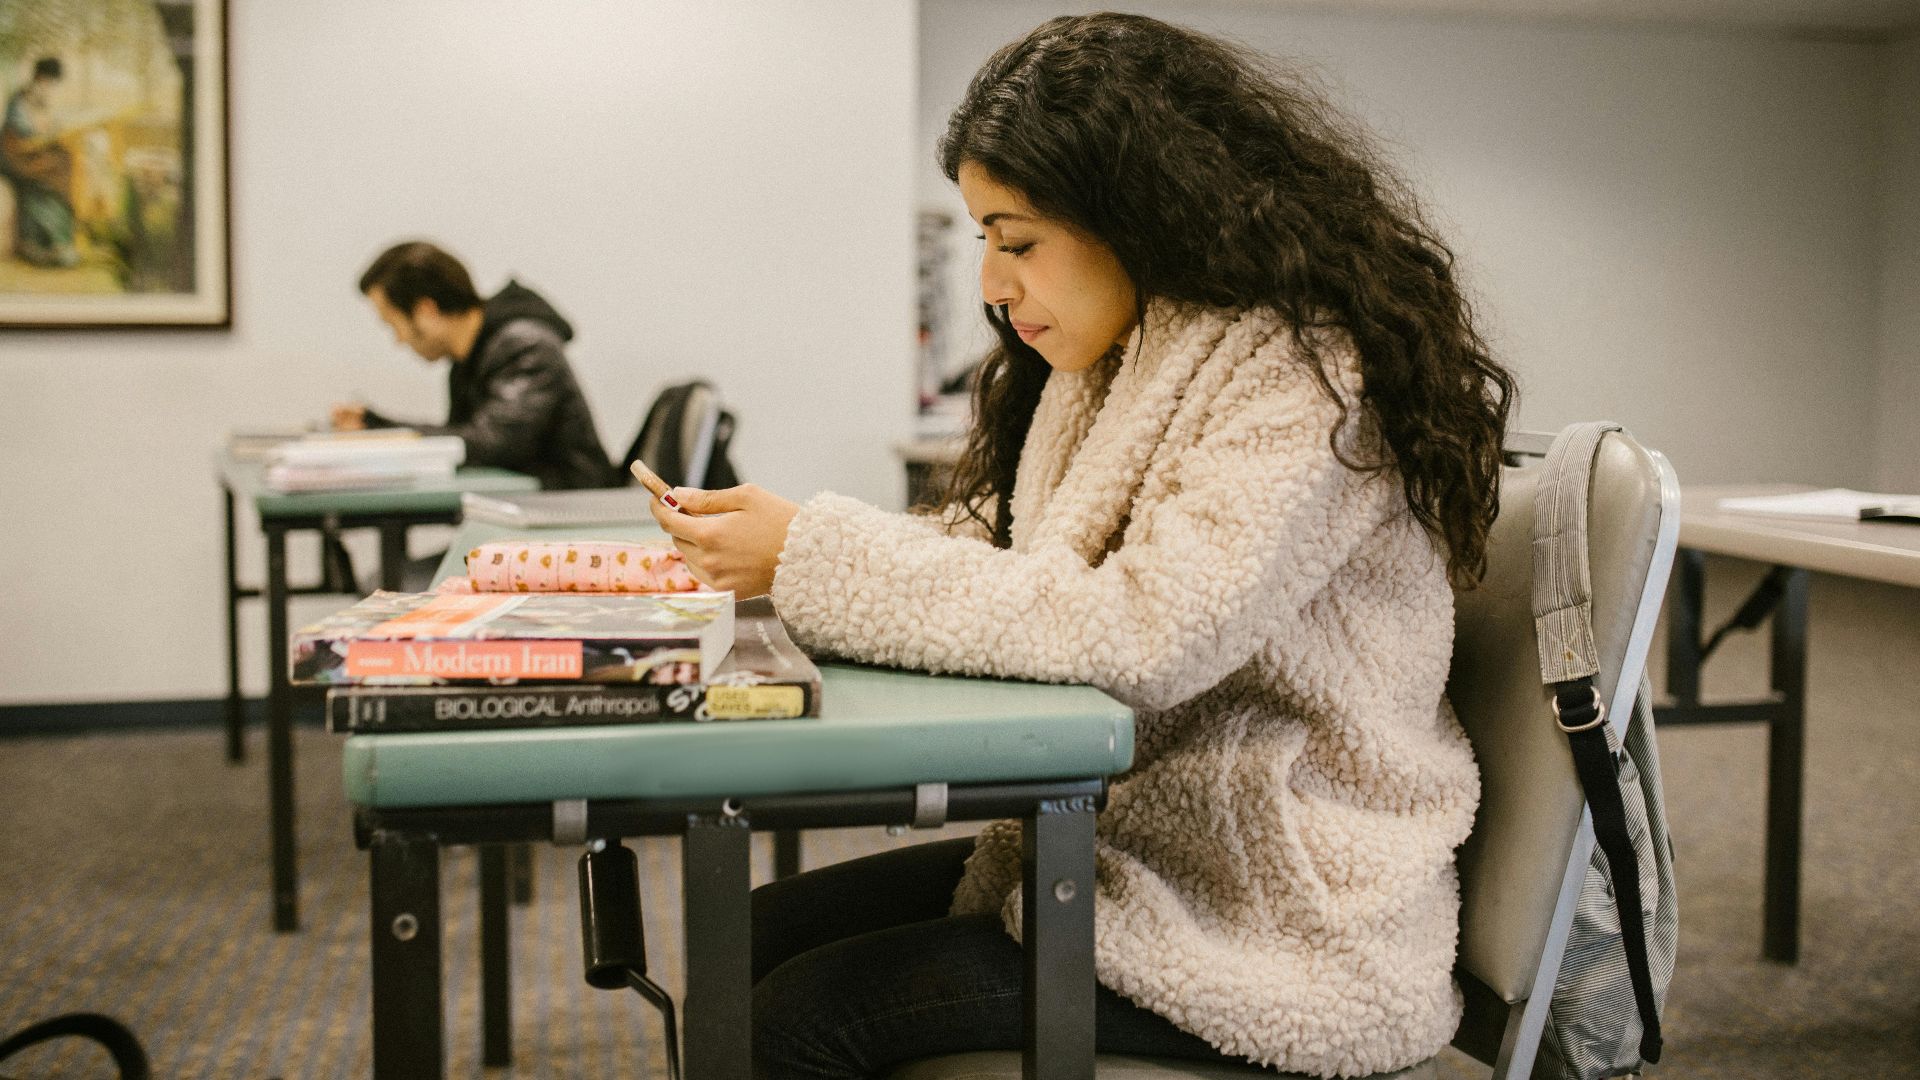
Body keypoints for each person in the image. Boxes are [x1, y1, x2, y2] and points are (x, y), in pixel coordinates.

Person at [651, 13, 1516, 1079]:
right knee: (751, 936)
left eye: (1017, 242)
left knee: (794, 1017)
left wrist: (815, 558)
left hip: (1279, 911)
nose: (991, 286)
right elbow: (1013, 551)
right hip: (1144, 851)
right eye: (984, 243)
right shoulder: (1113, 363)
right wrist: (777, 559)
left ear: (1143, 213)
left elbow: (1153, 628)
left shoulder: (1305, 367)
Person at [337, 240, 613, 490]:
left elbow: (490, 443)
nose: (398, 340)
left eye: (393, 325)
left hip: (571, 515)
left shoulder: (525, 345)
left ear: (425, 312)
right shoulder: (469, 359)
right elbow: (467, 439)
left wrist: (383, 431)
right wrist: (377, 425)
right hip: (526, 512)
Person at [1, 57, 79, 268]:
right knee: (48, 174)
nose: (49, 88)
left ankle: (60, 243)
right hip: (15, 158)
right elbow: (22, 135)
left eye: (52, 84)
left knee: (64, 161)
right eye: (47, 83)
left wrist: (52, 131)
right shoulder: (18, 101)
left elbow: (45, 129)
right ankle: (36, 244)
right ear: (38, 79)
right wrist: (44, 132)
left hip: (32, 154)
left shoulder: (39, 101)